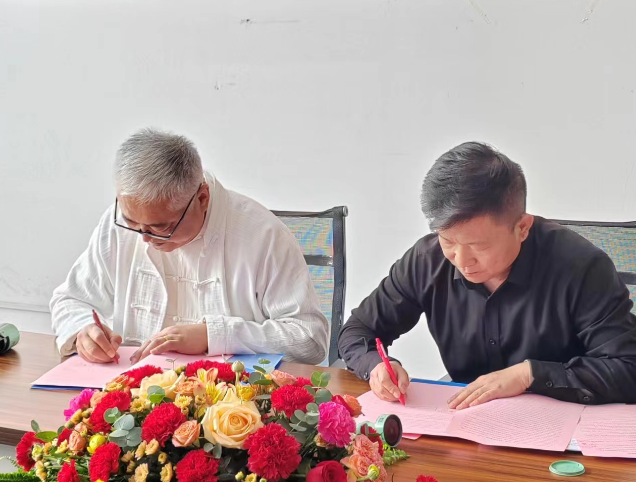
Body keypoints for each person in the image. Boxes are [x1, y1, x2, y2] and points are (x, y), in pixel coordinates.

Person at [339, 142, 636, 407]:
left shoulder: (581, 267)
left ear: (522, 228)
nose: (461, 260)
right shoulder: (426, 260)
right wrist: (377, 366)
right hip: (466, 425)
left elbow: (627, 368)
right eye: (448, 240)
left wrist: (529, 375)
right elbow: (357, 331)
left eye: (478, 245)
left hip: (563, 426)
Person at [50, 129, 329, 365]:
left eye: (161, 227)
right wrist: (83, 330)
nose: (144, 237)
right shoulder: (120, 225)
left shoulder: (261, 235)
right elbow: (70, 300)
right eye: (132, 222)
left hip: (230, 401)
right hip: (131, 396)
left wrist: (214, 336)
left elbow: (309, 339)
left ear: (202, 198)